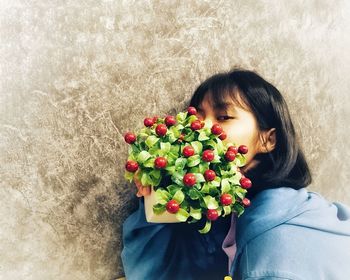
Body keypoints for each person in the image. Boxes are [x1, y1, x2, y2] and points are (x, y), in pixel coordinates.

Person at [121, 69, 350, 279]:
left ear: (268, 139)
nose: (201, 127)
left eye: (223, 117)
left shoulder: (277, 245)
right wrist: (159, 190)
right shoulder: (232, 214)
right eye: (197, 116)